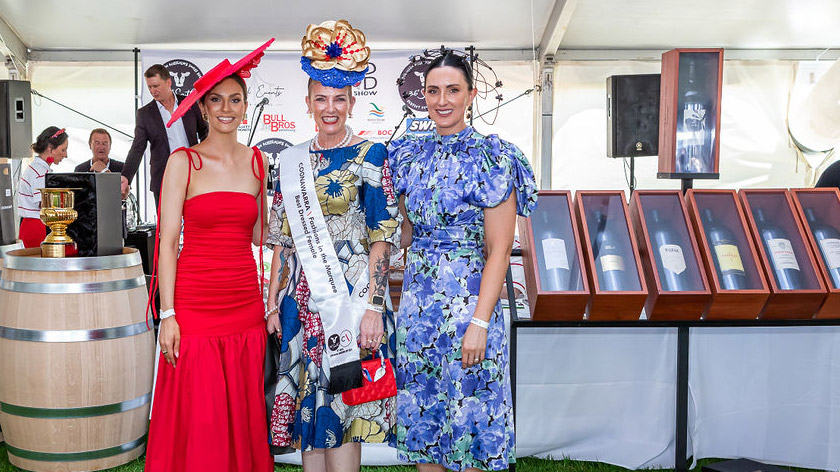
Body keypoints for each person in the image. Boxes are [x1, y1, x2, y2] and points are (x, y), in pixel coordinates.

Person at [388, 51, 538, 472]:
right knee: (425, 418)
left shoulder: (494, 157)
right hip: (419, 308)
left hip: (472, 308)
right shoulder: (407, 156)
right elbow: (404, 233)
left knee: (474, 420)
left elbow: (499, 250)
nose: (442, 100)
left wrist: (479, 323)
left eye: (452, 90)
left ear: (471, 95)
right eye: (433, 91)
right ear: (423, 96)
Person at [265, 19, 400, 472]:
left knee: (342, 411)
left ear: (351, 102)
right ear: (307, 103)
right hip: (302, 302)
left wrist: (374, 308)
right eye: (320, 98)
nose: (330, 108)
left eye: (338, 99)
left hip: (353, 300)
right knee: (310, 414)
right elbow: (283, 243)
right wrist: (272, 304)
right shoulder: (290, 161)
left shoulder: (371, 155)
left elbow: (383, 239)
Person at [144, 39, 274, 472]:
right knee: (200, 414)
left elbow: (261, 236)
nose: (226, 108)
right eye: (216, 99)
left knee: (240, 407)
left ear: (245, 105)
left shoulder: (259, 162)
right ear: (202, 107)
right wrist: (168, 314)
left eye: (235, 99)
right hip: (195, 304)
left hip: (243, 303)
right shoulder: (183, 162)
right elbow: (166, 242)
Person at [121, 64, 208, 207]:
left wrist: (206, 159)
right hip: (163, 177)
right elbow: (137, 148)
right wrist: (126, 177)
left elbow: (205, 132)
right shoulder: (144, 114)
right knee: (166, 226)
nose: (152, 91)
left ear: (168, 82)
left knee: (195, 221)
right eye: (149, 87)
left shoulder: (190, 103)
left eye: (156, 86)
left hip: (193, 174)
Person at [17, 126, 69, 248]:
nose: (66, 155)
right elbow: (43, 203)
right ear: (50, 148)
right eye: (63, 150)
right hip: (36, 226)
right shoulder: (40, 172)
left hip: (31, 224)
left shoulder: (36, 168)